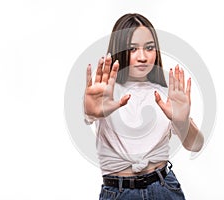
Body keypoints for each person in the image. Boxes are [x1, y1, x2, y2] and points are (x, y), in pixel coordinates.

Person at [84, 13, 204, 200]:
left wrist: (182, 122)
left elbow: (195, 145)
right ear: (119, 49)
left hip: (164, 188)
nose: (142, 57)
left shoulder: (165, 95)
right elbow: (89, 115)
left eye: (149, 48)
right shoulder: (104, 92)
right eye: (132, 49)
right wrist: (91, 112)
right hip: (119, 192)